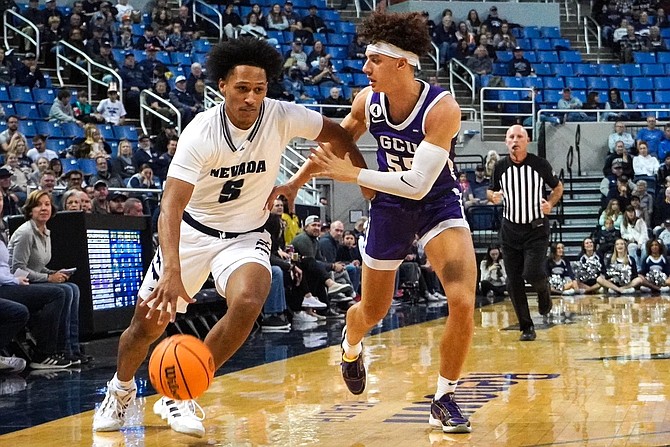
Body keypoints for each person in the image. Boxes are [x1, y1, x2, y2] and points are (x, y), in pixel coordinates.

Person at [92, 37, 366, 437]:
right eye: (242, 89)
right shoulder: (200, 133)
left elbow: (338, 136)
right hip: (192, 233)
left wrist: (331, 181)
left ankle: (183, 394)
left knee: (251, 298)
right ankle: (120, 390)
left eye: (259, 89)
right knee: (146, 325)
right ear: (222, 86)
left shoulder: (282, 116)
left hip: (246, 234)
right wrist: (171, 269)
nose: (251, 98)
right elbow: (170, 206)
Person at [303, 12, 475, 434]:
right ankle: (351, 342)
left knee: (463, 302)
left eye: (374, 60)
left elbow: (417, 184)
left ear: (402, 63)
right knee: (372, 310)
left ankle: (444, 396)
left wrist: (352, 175)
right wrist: (291, 183)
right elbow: (335, 142)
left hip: (435, 202)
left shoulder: (443, 108)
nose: (365, 69)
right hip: (389, 208)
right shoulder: (367, 101)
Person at [488, 124, 564, 341]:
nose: (515, 140)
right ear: (506, 142)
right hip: (510, 229)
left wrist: (550, 204)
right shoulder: (500, 167)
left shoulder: (539, 164)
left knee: (532, 273)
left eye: (519, 136)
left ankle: (543, 290)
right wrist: (492, 197)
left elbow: (558, 187)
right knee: (513, 282)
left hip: (536, 229)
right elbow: (491, 190)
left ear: (527, 140)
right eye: (511, 137)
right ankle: (526, 327)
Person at [8, 190, 84, 364]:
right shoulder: (26, 233)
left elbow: (36, 265)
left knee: (72, 288)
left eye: (47, 204)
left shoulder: (45, 231)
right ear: (30, 210)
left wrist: (53, 272)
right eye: (38, 205)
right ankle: (46, 351)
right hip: (18, 285)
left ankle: (70, 349)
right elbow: (17, 269)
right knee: (61, 292)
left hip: (32, 281)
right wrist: (49, 279)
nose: (44, 208)